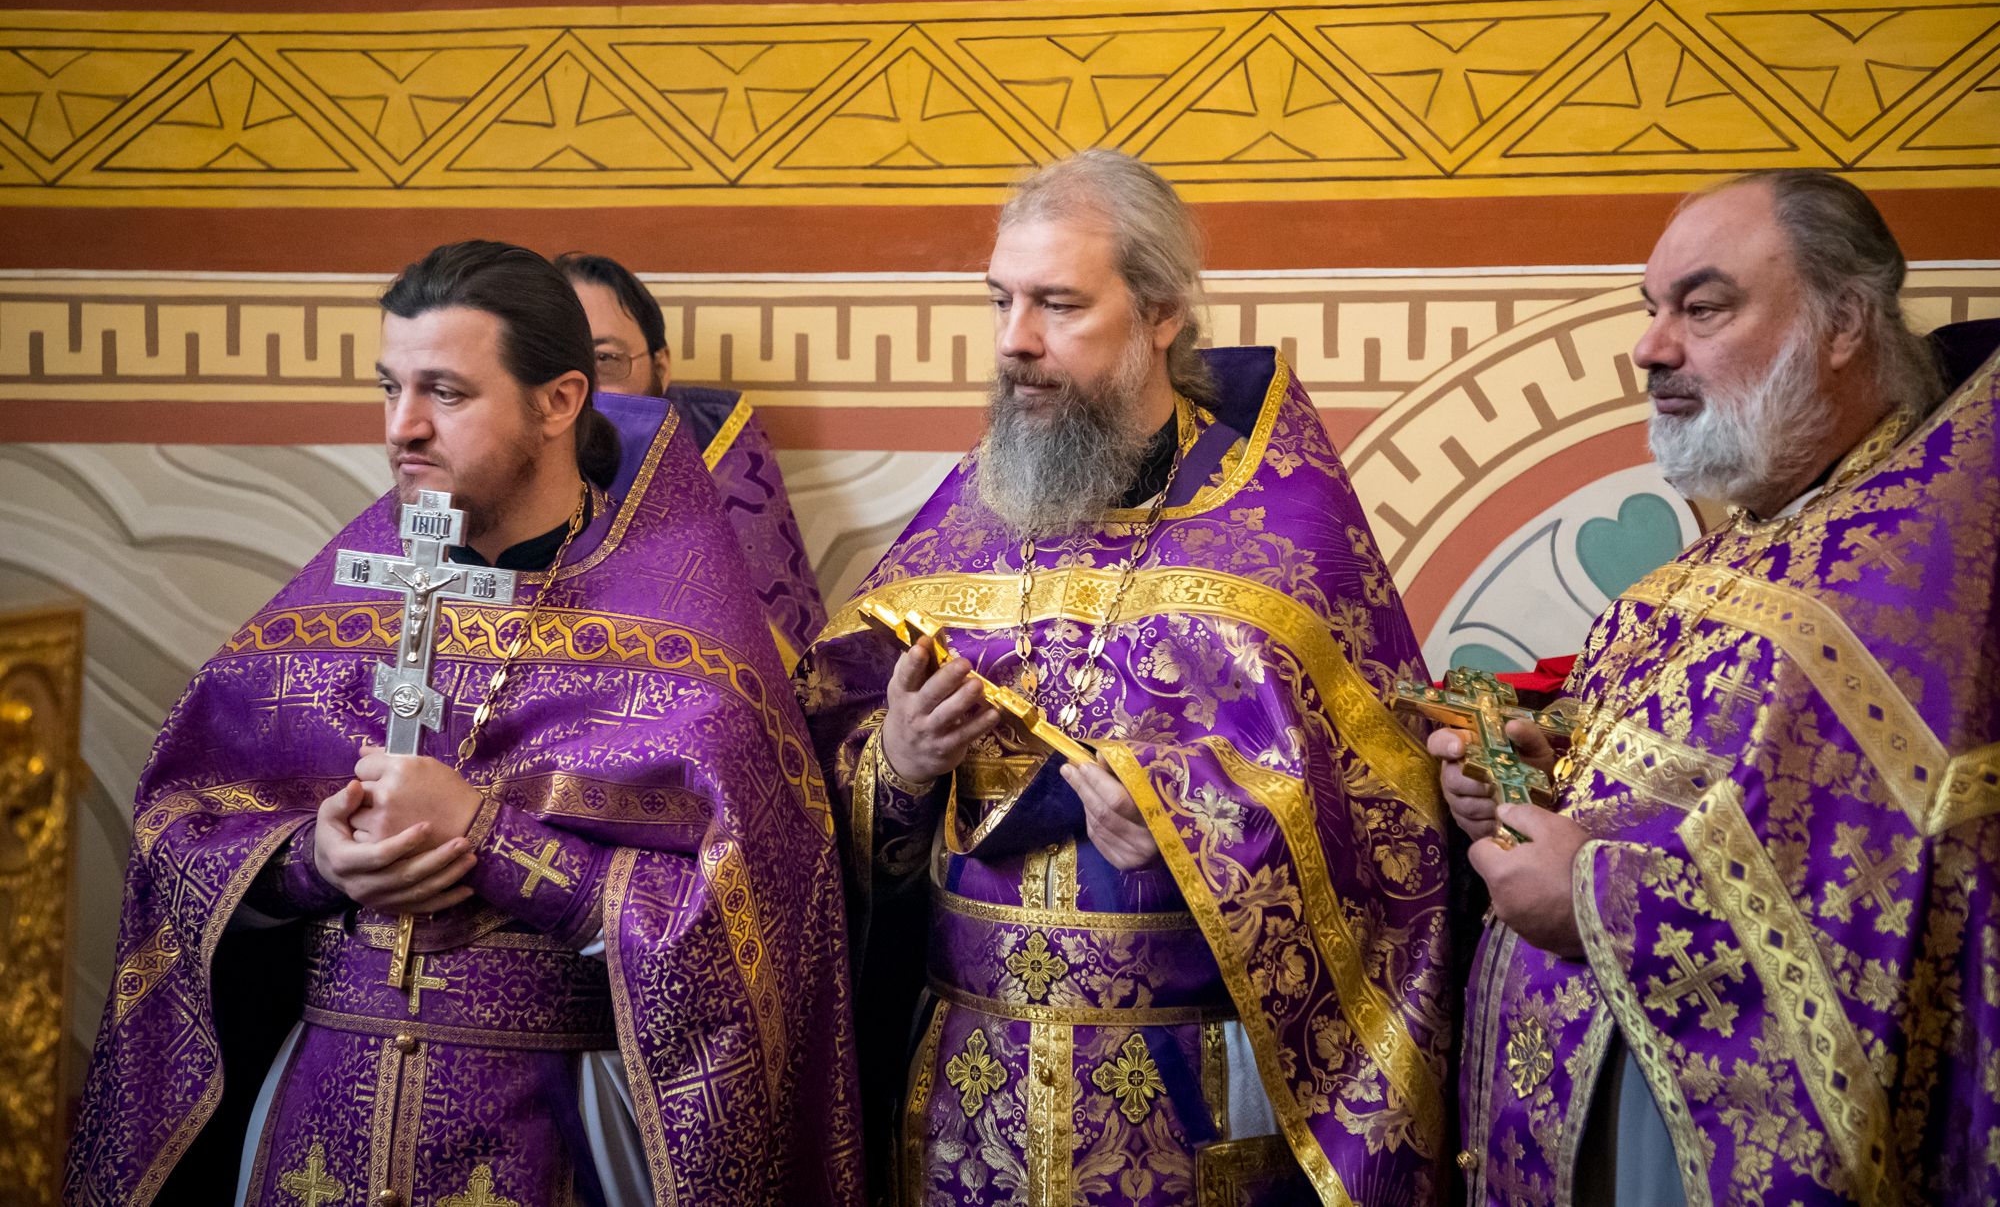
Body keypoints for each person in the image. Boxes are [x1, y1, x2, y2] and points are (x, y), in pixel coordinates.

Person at [65, 242, 863, 1207]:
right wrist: (311, 862)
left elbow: (755, 925)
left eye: (444, 391)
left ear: (560, 402)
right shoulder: (338, 603)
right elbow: (180, 831)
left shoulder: (684, 639)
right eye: (389, 386)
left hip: (558, 1134)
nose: (402, 426)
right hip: (318, 1131)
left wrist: (491, 839)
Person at [797, 150, 1455, 1207]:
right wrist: (900, 764)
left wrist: (1191, 822)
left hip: (1187, 1091)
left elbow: (1392, 826)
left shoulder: (1283, 528)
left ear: (1160, 313)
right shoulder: (963, 516)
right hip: (969, 1091)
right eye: (1001, 300)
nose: (1014, 341)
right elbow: (814, 805)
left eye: (1057, 304)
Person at [1436, 170, 2000, 1205]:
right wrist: (1526, 771)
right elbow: (1657, 777)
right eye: (1651, 309)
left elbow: (1894, 907)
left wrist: (1592, 903)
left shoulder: (1917, 578)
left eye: (1701, 309)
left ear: (1842, 323)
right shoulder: (1719, 557)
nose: (1649, 348)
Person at [558, 251, 827, 670]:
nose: (581, 391)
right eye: (558, 366)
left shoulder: (714, 444)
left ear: (661, 367)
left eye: (605, 359)